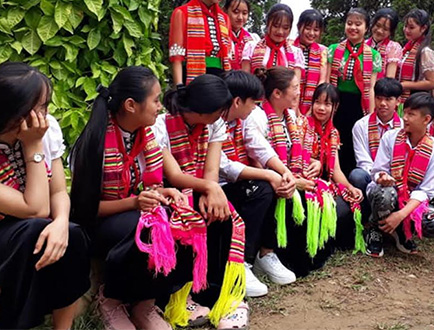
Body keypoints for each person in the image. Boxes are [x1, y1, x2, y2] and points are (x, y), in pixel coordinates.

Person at [70, 66, 195, 330]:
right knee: (150, 226)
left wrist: (165, 193)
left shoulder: (146, 137)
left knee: (185, 219)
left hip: (132, 215)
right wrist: (135, 203)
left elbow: (146, 189)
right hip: (99, 224)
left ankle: (144, 306)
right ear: (130, 105)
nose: (160, 107)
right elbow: (83, 210)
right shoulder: (94, 144)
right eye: (156, 100)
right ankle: (110, 300)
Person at [152, 74, 250, 329]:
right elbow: (172, 175)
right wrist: (208, 188)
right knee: (188, 219)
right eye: (219, 110)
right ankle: (181, 296)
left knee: (224, 214)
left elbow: (211, 170)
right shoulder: (161, 124)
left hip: (198, 187)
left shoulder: (214, 124)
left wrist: (211, 191)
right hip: (170, 194)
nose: (222, 115)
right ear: (204, 110)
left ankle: (224, 297)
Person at [0, 62, 89, 330]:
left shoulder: (46, 127)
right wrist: (33, 146)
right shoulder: (36, 137)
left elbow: (59, 191)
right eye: (40, 106)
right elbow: (35, 209)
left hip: (30, 224)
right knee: (33, 231)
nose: (46, 114)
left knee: (72, 235)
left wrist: (61, 223)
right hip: (13, 229)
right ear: (12, 112)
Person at [207, 71, 297, 297]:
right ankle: (241, 263)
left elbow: (258, 145)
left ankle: (265, 254)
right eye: (253, 104)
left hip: (232, 182)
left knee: (278, 187)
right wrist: (268, 175)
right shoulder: (213, 120)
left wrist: (284, 172)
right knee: (263, 188)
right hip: (214, 186)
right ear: (237, 101)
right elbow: (223, 166)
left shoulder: (242, 118)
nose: (255, 109)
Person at [278, 84, 365, 274]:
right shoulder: (300, 125)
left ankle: (320, 249)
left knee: (348, 203)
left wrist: (350, 187)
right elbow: (293, 155)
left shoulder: (333, 133)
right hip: (299, 177)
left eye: (327, 104)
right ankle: (303, 255)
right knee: (319, 205)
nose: (321, 108)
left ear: (336, 107)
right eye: (317, 102)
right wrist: (314, 161)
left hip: (323, 183)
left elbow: (335, 171)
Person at [364, 93, 434, 257]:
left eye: (411, 114)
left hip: (412, 203)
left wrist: (401, 215)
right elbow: (377, 171)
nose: (405, 118)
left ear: (426, 119)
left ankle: (401, 229)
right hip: (389, 195)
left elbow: (427, 191)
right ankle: (376, 230)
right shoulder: (391, 137)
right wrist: (382, 177)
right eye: (405, 112)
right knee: (384, 192)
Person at [242, 67, 305, 279]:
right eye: (295, 87)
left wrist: (307, 167)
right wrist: (285, 177)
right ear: (277, 93)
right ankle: (257, 255)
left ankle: (276, 254)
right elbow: (256, 154)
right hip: (260, 177)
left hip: (285, 174)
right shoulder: (258, 116)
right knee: (274, 190)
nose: (299, 91)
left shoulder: (290, 117)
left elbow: (296, 152)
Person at [327, 8, 383, 173]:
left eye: (358, 24)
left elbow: (371, 87)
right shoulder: (334, 49)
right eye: (349, 23)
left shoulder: (373, 55)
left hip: (359, 104)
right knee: (333, 140)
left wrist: (371, 115)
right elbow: (327, 81)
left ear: (366, 28)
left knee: (354, 142)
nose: (353, 27)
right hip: (336, 103)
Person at [169, 0, 234, 85]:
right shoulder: (181, 13)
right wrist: (179, 87)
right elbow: (176, 56)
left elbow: (227, 57)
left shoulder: (224, 19)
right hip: (193, 78)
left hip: (221, 78)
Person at [349, 77, 403, 194]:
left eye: (388, 99)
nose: (383, 104)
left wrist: (388, 177)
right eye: (379, 98)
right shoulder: (361, 125)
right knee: (357, 175)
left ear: (398, 101)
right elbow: (363, 160)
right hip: (369, 175)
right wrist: (379, 176)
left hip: (394, 178)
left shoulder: (403, 128)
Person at [242, 4, 305, 79]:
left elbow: (295, 86)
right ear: (268, 23)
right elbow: (245, 81)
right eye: (276, 26)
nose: (280, 32)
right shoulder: (251, 47)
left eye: (285, 28)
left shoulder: (296, 53)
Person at [397, 9, 434, 102]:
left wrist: (405, 85)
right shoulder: (407, 49)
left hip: (417, 99)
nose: (406, 30)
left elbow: (432, 83)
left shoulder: (425, 52)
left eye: (411, 27)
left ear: (423, 28)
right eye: (405, 26)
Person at [293, 9, 328, 115]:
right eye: (308, 28)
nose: (311, 33)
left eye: (316, 30)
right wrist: (295, 109)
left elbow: (322, 81)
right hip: (289, 103)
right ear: (299, 27)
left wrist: (312, 109)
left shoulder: (323, 52)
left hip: (313, 108)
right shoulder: (290, 48)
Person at [224, 0, 260, 70]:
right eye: (235, 12)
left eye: (244, 13)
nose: (240, 17)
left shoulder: (254, 39)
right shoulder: (220, 36)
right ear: (225, 11)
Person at [365, 8, 403, 79]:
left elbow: (389, 79)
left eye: (385, 29)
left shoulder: (393, 47)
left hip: (382, 88)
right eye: (377, 25)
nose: (379, 31)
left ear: (391, 32)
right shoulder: (363, 44)